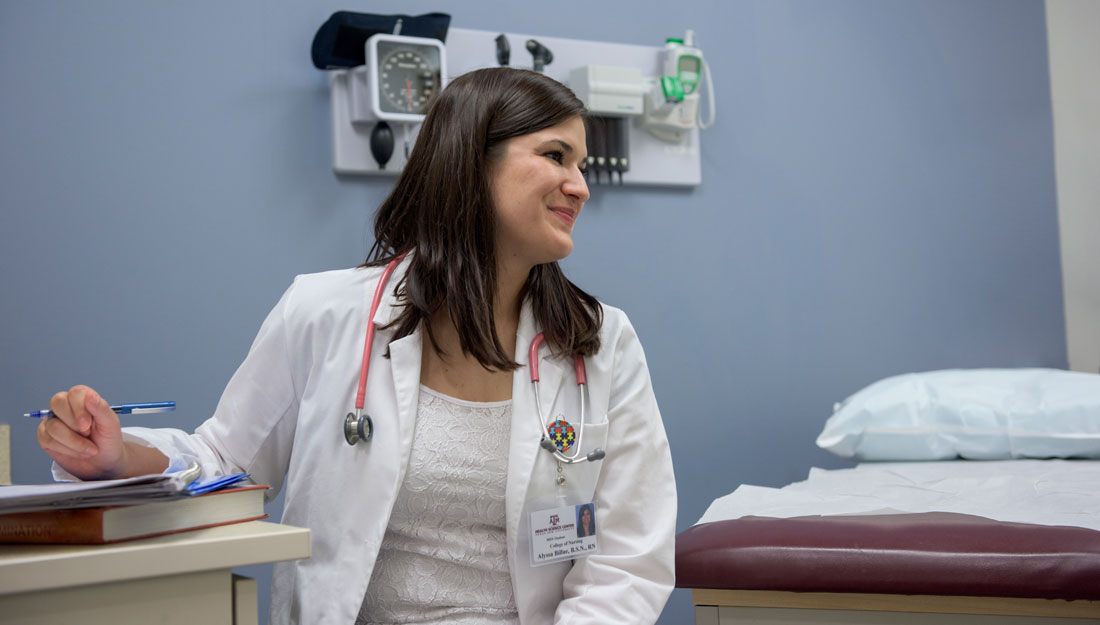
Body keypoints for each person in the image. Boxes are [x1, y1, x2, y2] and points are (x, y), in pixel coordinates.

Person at [35, 67, 676, 625]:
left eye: (583, 165)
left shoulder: (599, 341)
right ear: (472, 161)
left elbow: (627, 558)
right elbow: (225, 459)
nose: (580, 186)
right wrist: (121, 459)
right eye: (556, 156)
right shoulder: (325, 313)